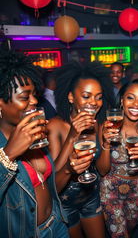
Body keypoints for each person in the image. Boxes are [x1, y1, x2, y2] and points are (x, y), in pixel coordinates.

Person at [0, 50, 87, 237]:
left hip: (57, 224)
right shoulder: (5, 147)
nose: (33, 101)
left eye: (34, 95)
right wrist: (7, 155)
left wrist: (69, 170)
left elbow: (48, 185)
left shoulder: (36, 135)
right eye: (24, 97)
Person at [47, 61, 115, 238]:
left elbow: (102, 170)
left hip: (91, 197)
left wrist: (106, 144)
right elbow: (53, 184)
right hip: (64, 203)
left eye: (99, 96)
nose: (94, 102)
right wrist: (72, 135)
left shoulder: (98, 124)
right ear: (70, 97)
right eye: (86, 96)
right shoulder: (55, 126)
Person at [98, 80, 138, 237]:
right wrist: (105, 143)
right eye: (130, 98)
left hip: (137, 192)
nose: (136, 104)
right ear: (122, 100)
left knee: (129, 231)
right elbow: (102, 170)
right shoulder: (108, 126)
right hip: (110, 191)